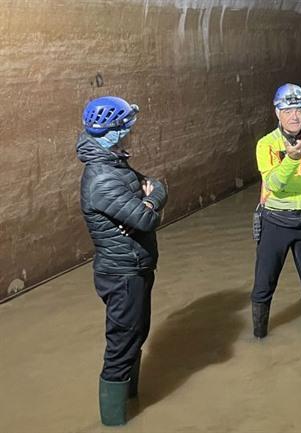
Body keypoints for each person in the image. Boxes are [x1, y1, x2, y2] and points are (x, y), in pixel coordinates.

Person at [77, 96, 167, 426]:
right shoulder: (103, 179)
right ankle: (114, 423)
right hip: (123, 273)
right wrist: (153, 197)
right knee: (121, 345)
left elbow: (153, 186)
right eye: (127, 128)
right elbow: (146, 219)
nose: (131, 134)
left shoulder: (114, 162)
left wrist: (150, 195)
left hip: (135, 267)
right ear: (115, 132)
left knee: (135, 334)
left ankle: (132, 400)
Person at [251, 83, 301, 339]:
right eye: (287, 110)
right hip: (275, 223)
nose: (294, 115)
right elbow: (273, 184)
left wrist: (288, 181)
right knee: (263, 286)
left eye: (298, 109)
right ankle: (259, 337)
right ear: (277, 113)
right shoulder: (266, 145)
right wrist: (292, 161)